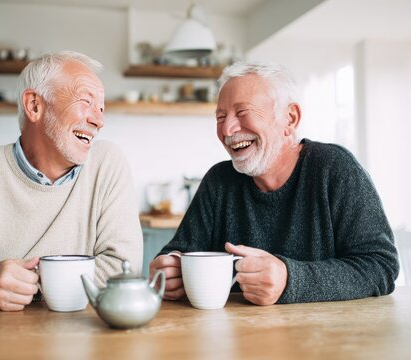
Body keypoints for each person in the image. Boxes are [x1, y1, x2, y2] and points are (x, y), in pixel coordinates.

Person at [0, 51, 143, 311]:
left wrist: (30, 285)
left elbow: (123, 268)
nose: (99, 120)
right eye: (86, 101)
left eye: (101, 107)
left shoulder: (106, 164)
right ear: (34, 106)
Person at [150, 61, 399, 306]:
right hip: (234, 338)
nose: (227, 129)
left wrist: (289, 279)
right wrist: (170, 267)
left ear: (290, 119)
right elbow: (180, 251)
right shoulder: (219, 181)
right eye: (220, 116)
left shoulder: (334, 168)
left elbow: (381, 266)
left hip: (320, 340)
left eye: (243, 112)